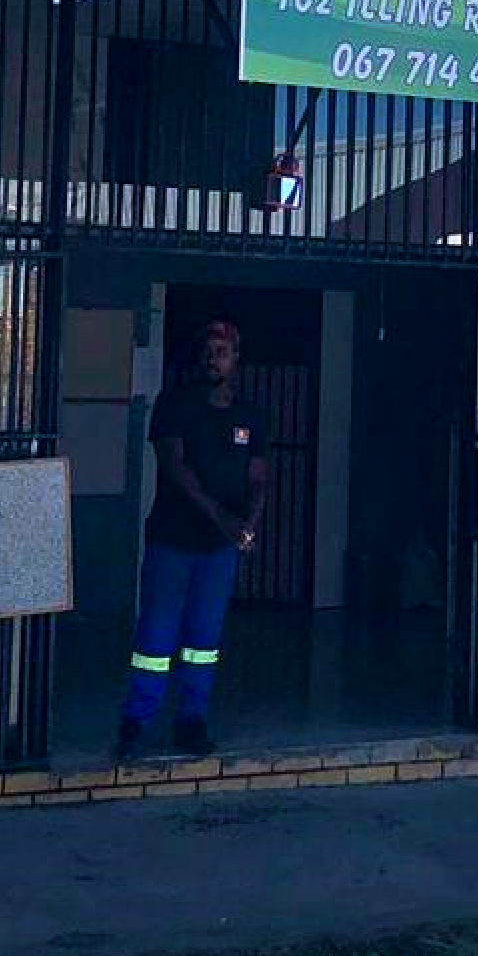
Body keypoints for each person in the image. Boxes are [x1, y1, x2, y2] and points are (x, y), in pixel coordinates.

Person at [115, 319, 267, 762]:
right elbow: (175, 467)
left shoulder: (249, 416)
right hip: (173, 541)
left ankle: (191, 720)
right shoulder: (174, 404)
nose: (213, 357)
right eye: (207, 349)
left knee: (204, 640)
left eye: (223, 350)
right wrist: (222, 518)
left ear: (236, 359)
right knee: (155, 636)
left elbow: (259, 477)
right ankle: (136, 721)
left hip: (219, 551)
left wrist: (248, 525)